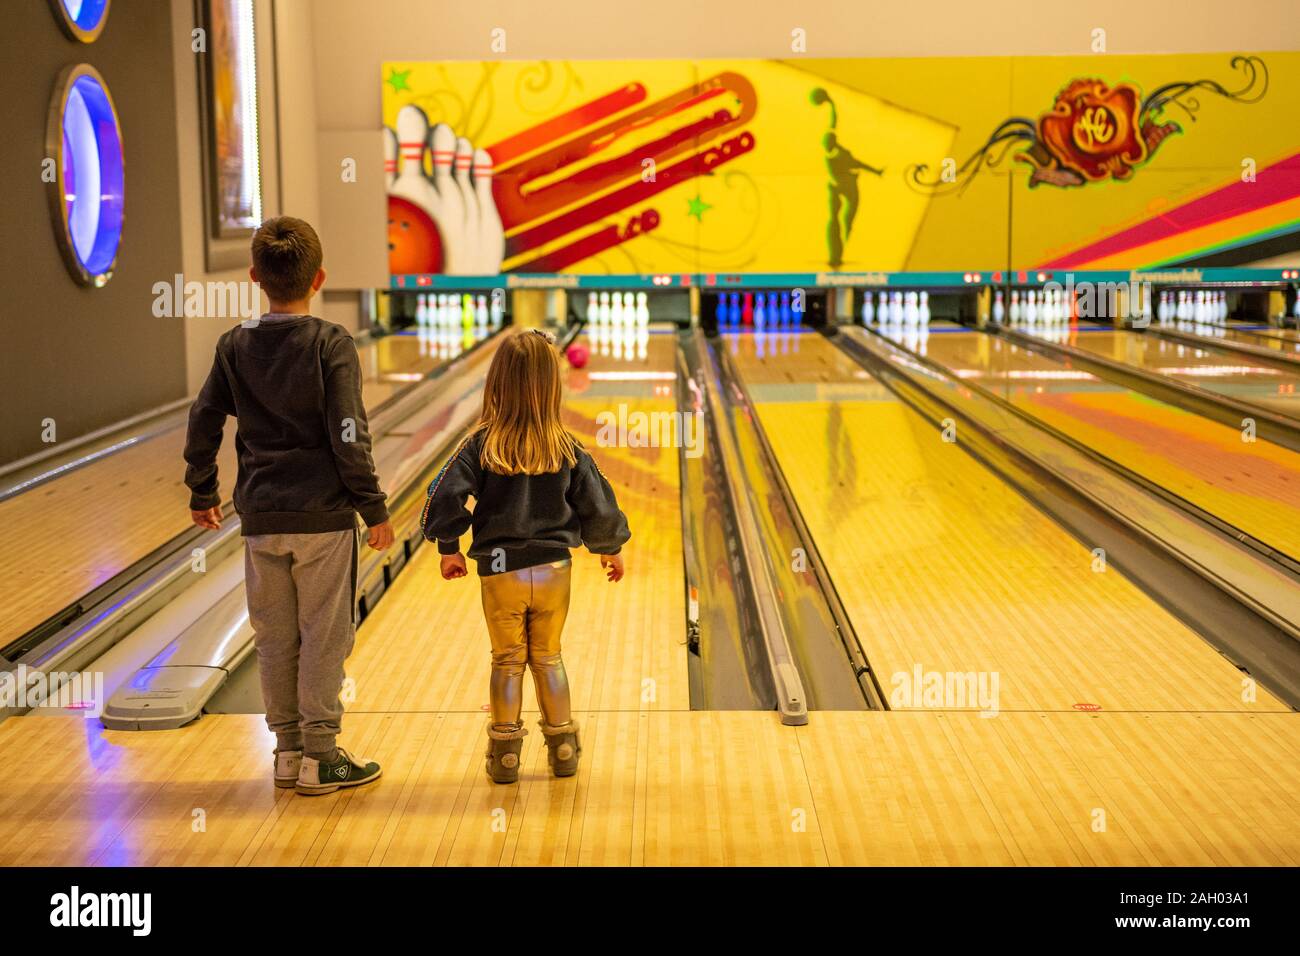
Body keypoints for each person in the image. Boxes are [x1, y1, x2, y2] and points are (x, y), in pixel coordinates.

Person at [183, 216, 393, 796]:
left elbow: (203, 418)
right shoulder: (331, 343)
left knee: (274, 639)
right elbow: (349, 432)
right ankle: (322, 756)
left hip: (261, 519)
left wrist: (203, 489)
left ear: (254, 276)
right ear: (319, 278)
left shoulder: (234, 344)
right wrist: (373, 508)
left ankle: (287, 752)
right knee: (324, 638)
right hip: (322, 519)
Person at [422, 329, 630, 783]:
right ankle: (562, 751)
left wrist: (448, 548)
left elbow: (443, 498)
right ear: (553, 386)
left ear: (496, 383)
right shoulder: (568, 447)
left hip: (500, 572)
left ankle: (506, 756)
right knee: (549, 658)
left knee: (507, 660)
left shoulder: (480, 446)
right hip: (554, 567)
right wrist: (609, 549)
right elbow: (599, 506)